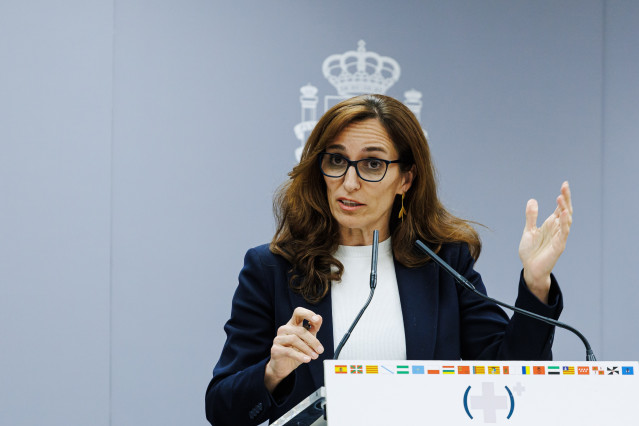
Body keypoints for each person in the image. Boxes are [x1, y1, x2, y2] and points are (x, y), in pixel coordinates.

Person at [205, 94, 571, 425]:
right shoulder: (273, 268)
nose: (349, 182)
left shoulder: (443, 263)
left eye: (373, 165)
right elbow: (222, 409)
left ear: (406, 179)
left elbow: (510, 375)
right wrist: (273, 371)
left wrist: (536, 282)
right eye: (336, 160)